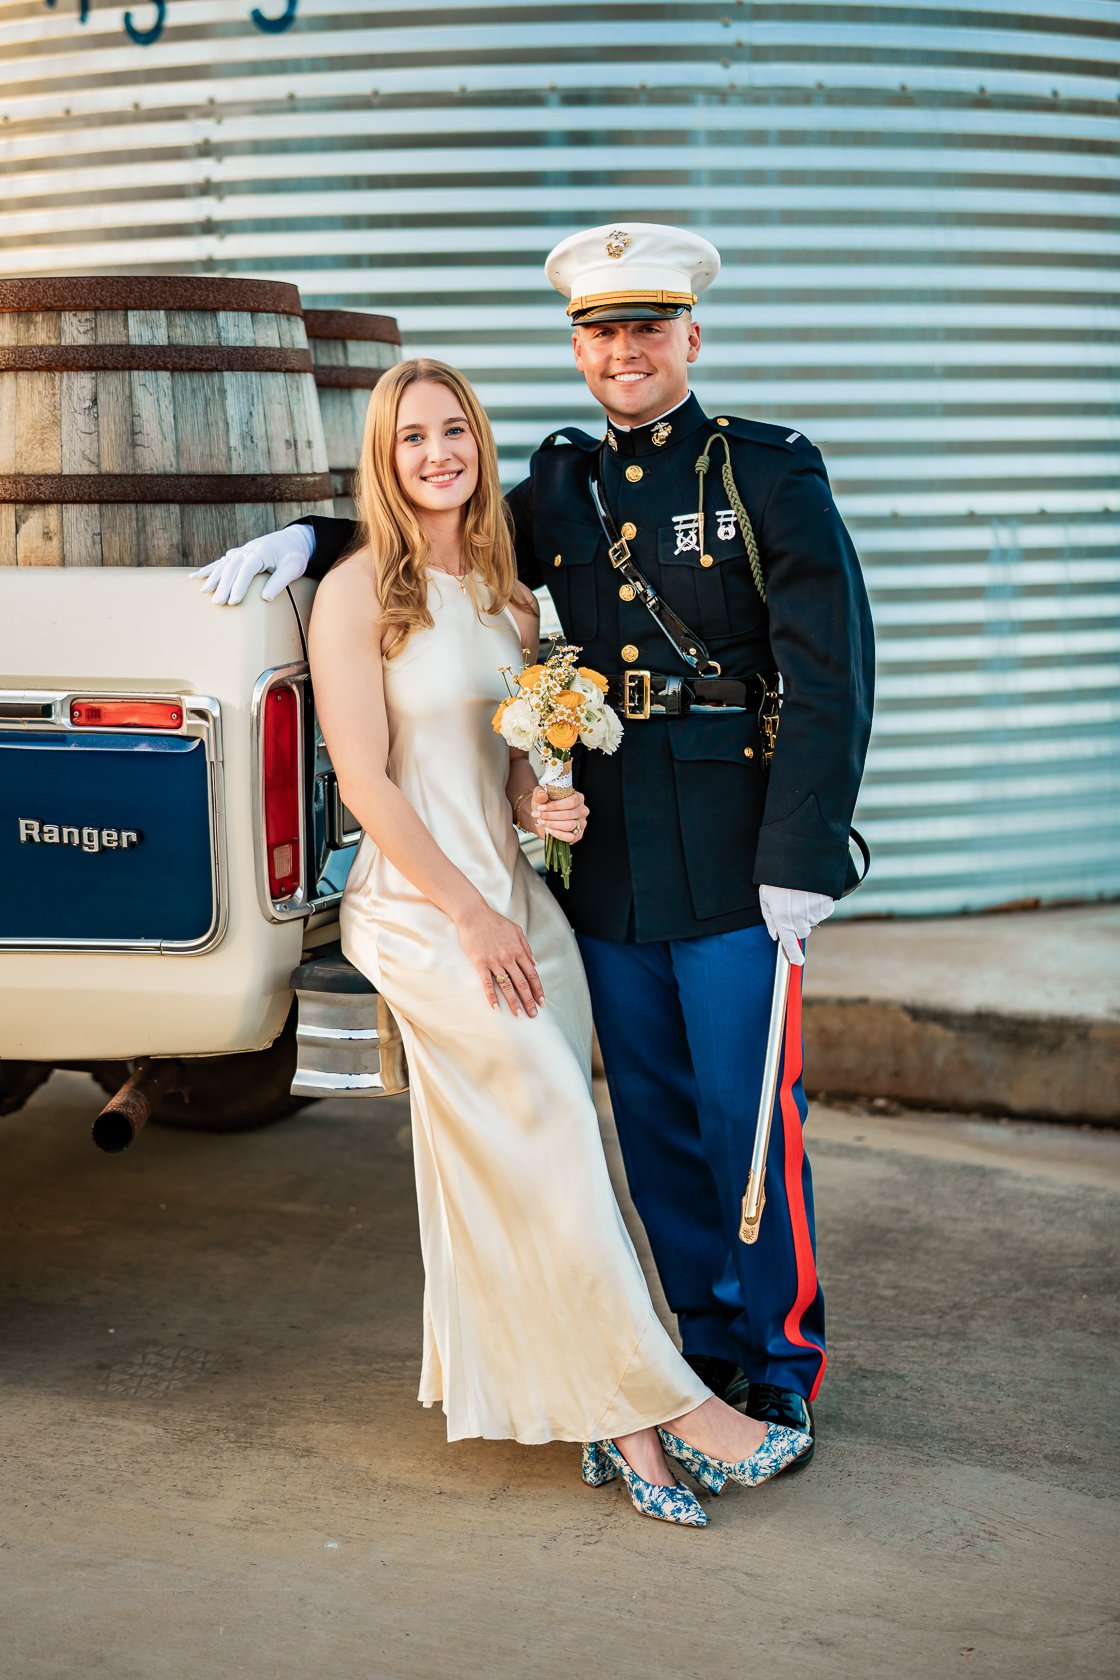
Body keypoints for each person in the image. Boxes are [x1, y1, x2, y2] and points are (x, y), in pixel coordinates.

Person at [196, 223, 875, 1464]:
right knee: (654, 1120)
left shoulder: (764, 474)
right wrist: (311, 540)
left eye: (646, 328)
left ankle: (781, 1364)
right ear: (578, 349)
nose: (624, 351)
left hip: (735, 850)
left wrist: (804, 853)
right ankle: (699, 1347)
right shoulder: (565, 488)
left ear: (690, 337)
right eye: (600, 332)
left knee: (746, 1117)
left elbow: (831, 673)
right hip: (607, 856)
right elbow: (432, 534)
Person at [301, 354, 810, 1527]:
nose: (437, 454)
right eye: (412, 436)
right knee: (547, 1129)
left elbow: (516, 757)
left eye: (455, 433)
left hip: (518, 896)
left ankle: (600, 1403)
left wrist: (542, 803)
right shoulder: (355, 593)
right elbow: (369, 784)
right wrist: (470, 914)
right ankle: (656, 1416)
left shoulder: (504, 593)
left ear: (478, 447)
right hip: (425, 910)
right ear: (382, 457)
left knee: (553, 1143)